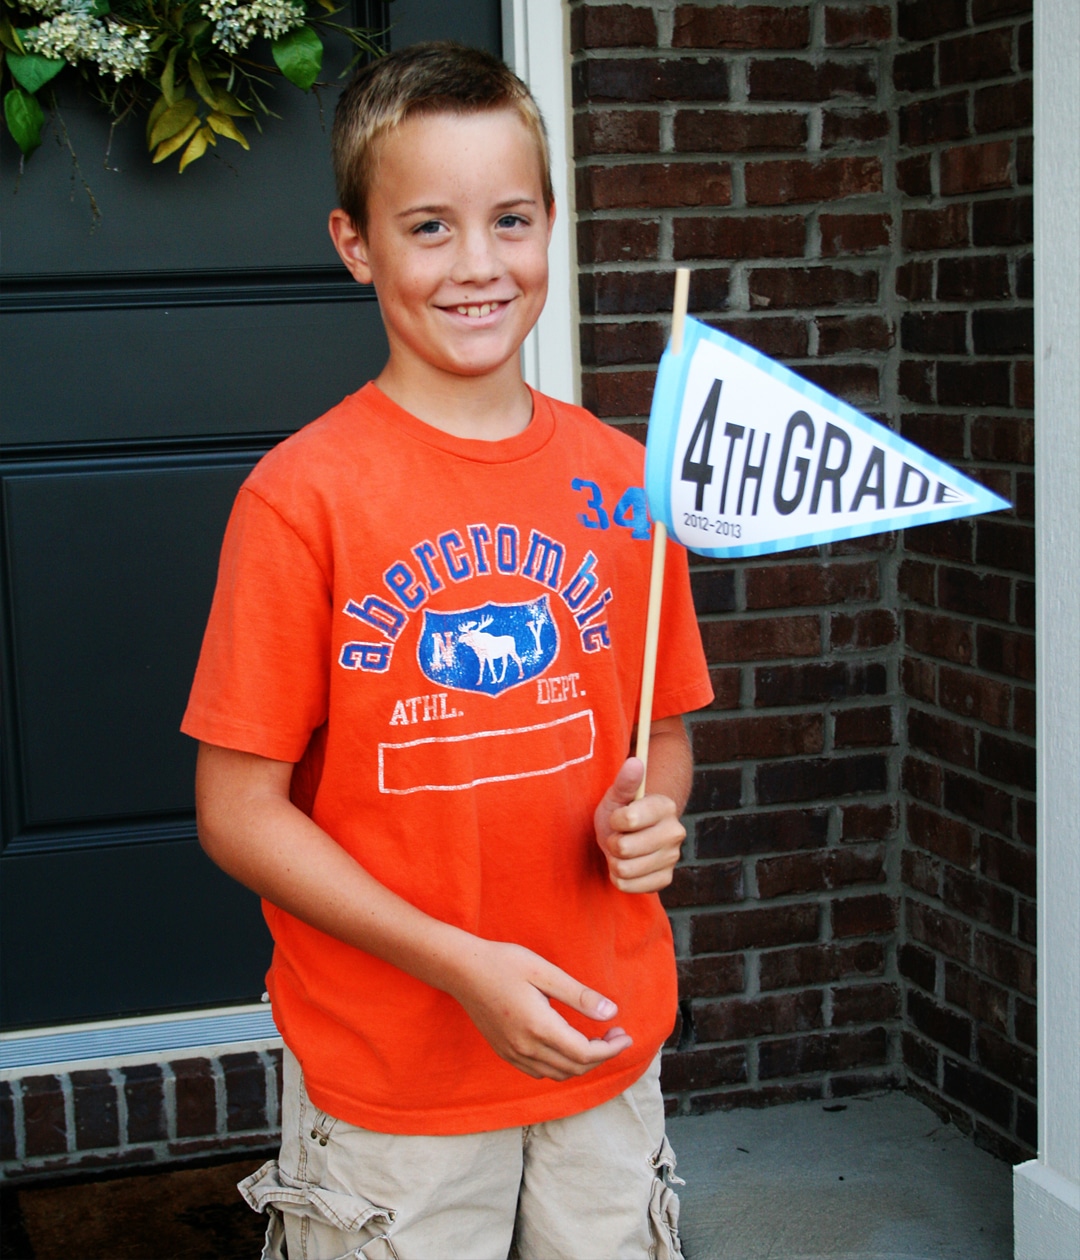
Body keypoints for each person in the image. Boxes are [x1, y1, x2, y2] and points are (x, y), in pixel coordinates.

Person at [182, 41, 713, 1260]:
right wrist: (458, 962)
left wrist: (653, 809)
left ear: (552, 226)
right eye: (428, 227)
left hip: (598, 1037)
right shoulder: (302, 498)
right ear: (355, 244)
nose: (479, 265)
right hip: (395, 1078)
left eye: (510, 220)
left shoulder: (627, 483)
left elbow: (661, 732)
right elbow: (236, 810)